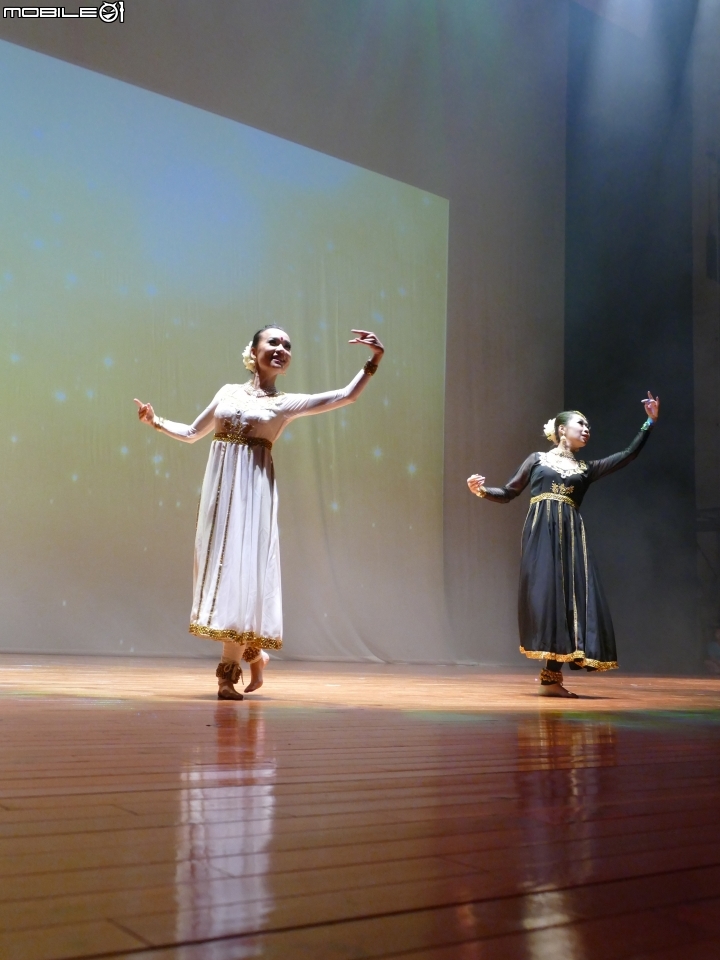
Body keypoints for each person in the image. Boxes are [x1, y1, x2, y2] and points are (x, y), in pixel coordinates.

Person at [135, 326, 384, 700]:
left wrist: (373, 360)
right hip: (221, 498)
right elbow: (191, 432)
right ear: (253, 351)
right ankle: (254, 654)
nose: (281, 348)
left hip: (253, 501)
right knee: (224, 576)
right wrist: (155, 421)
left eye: (287, 345)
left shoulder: (285, 404)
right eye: (273, 342)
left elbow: (345, 396)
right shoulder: (227, 392)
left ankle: (226, 677)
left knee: (242, 575)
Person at [467, 392, 660, 698]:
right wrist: (481, 490)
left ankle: (551, 680)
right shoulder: (537, 459)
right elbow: (508, 492)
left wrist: (649, 422)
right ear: (561, 429)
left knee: (567, 600)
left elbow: (627, 455)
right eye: (580, 424)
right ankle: (549, 677)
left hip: (570, 538)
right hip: (541, 534)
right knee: (546, 597)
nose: (586, 429)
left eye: (588, 426)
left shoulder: (586, 468)